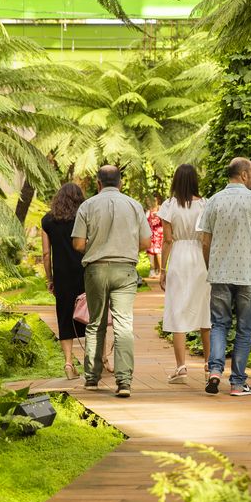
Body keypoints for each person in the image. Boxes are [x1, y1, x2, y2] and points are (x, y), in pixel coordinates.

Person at [72, 165, 151, 397]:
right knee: (123, 324)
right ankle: (124, 381)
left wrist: (97, 246)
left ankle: (92, 379)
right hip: (125, 270)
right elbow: (146, 243)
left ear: (98, 184)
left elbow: (77, 244)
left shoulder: (87, 206)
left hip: (96, 270)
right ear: (121, 183)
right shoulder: (134, 205)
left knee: (95, 323)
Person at [197, 157, 251, 397]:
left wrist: (211, 267)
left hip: (220, 274)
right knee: (244, 329)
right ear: (243, 175)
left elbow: (205, 241)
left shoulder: (214, 201)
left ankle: (215, 372)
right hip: (249, 275)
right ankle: (238, 383)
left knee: (219, 324)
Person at [41, 183, 110, 380]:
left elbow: (46, 254)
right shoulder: (86, 216)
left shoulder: (48, 220)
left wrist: (50, 278)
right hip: (86, 272)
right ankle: (98, 360)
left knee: (64, 318)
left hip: (62, 276)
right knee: (93, 316)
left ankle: (69, 363)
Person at [158, 165, 211, 384]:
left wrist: (162, 269)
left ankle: (181, 368)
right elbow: (208, 240)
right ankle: (210, 366)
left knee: (177, 311)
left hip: (179, 259)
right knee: (205, 312)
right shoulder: (205, 205)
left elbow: (168, 240)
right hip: (200, 259)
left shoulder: (169, 206)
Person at [146, 197, 164, 276]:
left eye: (154, 200)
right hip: (151, 234)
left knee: (158, 252)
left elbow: (165, 221)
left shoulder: (160, 208)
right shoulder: (148, 211)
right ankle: (152, 270)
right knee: (151, 252)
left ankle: (160, 271)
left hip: (159, 235)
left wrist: (159, 215)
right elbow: (146, 222)